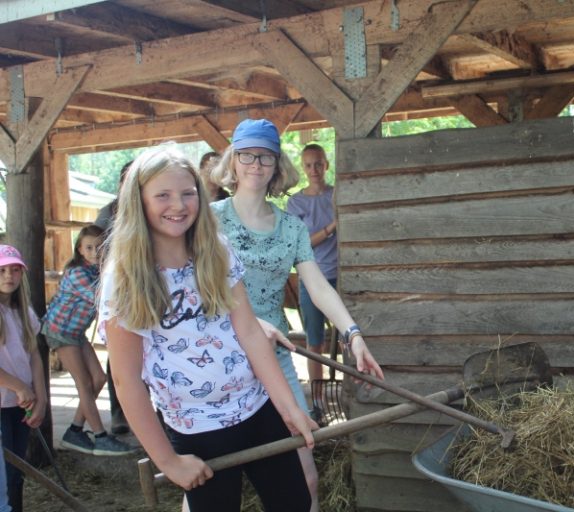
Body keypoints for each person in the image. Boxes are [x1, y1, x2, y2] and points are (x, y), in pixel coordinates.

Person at [99, 144, 317, 512]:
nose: (178, 205)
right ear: (139, 200)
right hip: (195, 426)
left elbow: (249, 331)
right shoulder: (125, 279)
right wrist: (168, 462)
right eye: (163, 195)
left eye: (188, 193)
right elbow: (126, 380)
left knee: (294, 502)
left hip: (256, 406)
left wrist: (288, 406)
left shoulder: (216, 250)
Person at [210, 118, 384, 512]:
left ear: (277, 165)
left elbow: (318, 286)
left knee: (306, 475)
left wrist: (353, 334)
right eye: (247, 155)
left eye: (266, 157)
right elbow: (194, 287)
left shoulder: (291, 227)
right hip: (218, 354)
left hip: (276, 354)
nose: (256, 164)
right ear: (233, 161)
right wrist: (250, 323)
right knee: (213, 485)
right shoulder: (209, 219)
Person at [42, 225, 135, 456]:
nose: (95, 252)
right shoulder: (78, 274)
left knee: (99, 378)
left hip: (76, 333)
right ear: (80, 250)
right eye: (89, 248)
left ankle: (74, 430)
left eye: (100, 247)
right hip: (60, 331)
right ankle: (100, 437)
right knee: (84, 383)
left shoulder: (96, 271)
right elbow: (105, 298)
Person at [286, 144, 337, 417]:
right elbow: (301, 243)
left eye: (318, 163)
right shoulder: (296, 203)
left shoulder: (338, 195)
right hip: (311, 278)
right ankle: (318, 403)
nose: (314, 169)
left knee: (349, 339)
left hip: (341, 275)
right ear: (303, 168)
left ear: (326, 165)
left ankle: (353, 395)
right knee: (314, 341)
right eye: (308, 165)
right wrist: (331, 228)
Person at [0, 245, 46, 511]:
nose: (9, 276)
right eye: (2, 270)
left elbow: (34, 356)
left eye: (15, 270)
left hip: (20, 404)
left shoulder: (24, 312)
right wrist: (18, 386)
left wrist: (40, 398)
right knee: (4, 473)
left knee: (17, 471)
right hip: (4, 403)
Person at [94, 160, 133, 435]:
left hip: (150, 285)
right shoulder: (109, 212)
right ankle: (120, 413)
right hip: (118, 286)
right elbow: (95, 245)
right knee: (119, 354)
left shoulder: (153, 208)